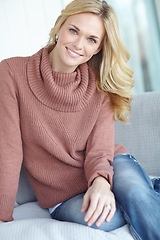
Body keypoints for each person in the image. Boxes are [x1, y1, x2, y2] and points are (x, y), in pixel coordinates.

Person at [0, 0, 159, 239]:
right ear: (59, 27)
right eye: (74, 31)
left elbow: (100, 150)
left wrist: (102, 183)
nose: (78, 44)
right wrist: (3, 216)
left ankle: (143, 191)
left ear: (98, 48)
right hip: (62, 195)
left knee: (136, 195)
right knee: (109, 219)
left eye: (91, 40)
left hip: (110, 165)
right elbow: (9, 150)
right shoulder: (11, 73)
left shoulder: (100, 85)